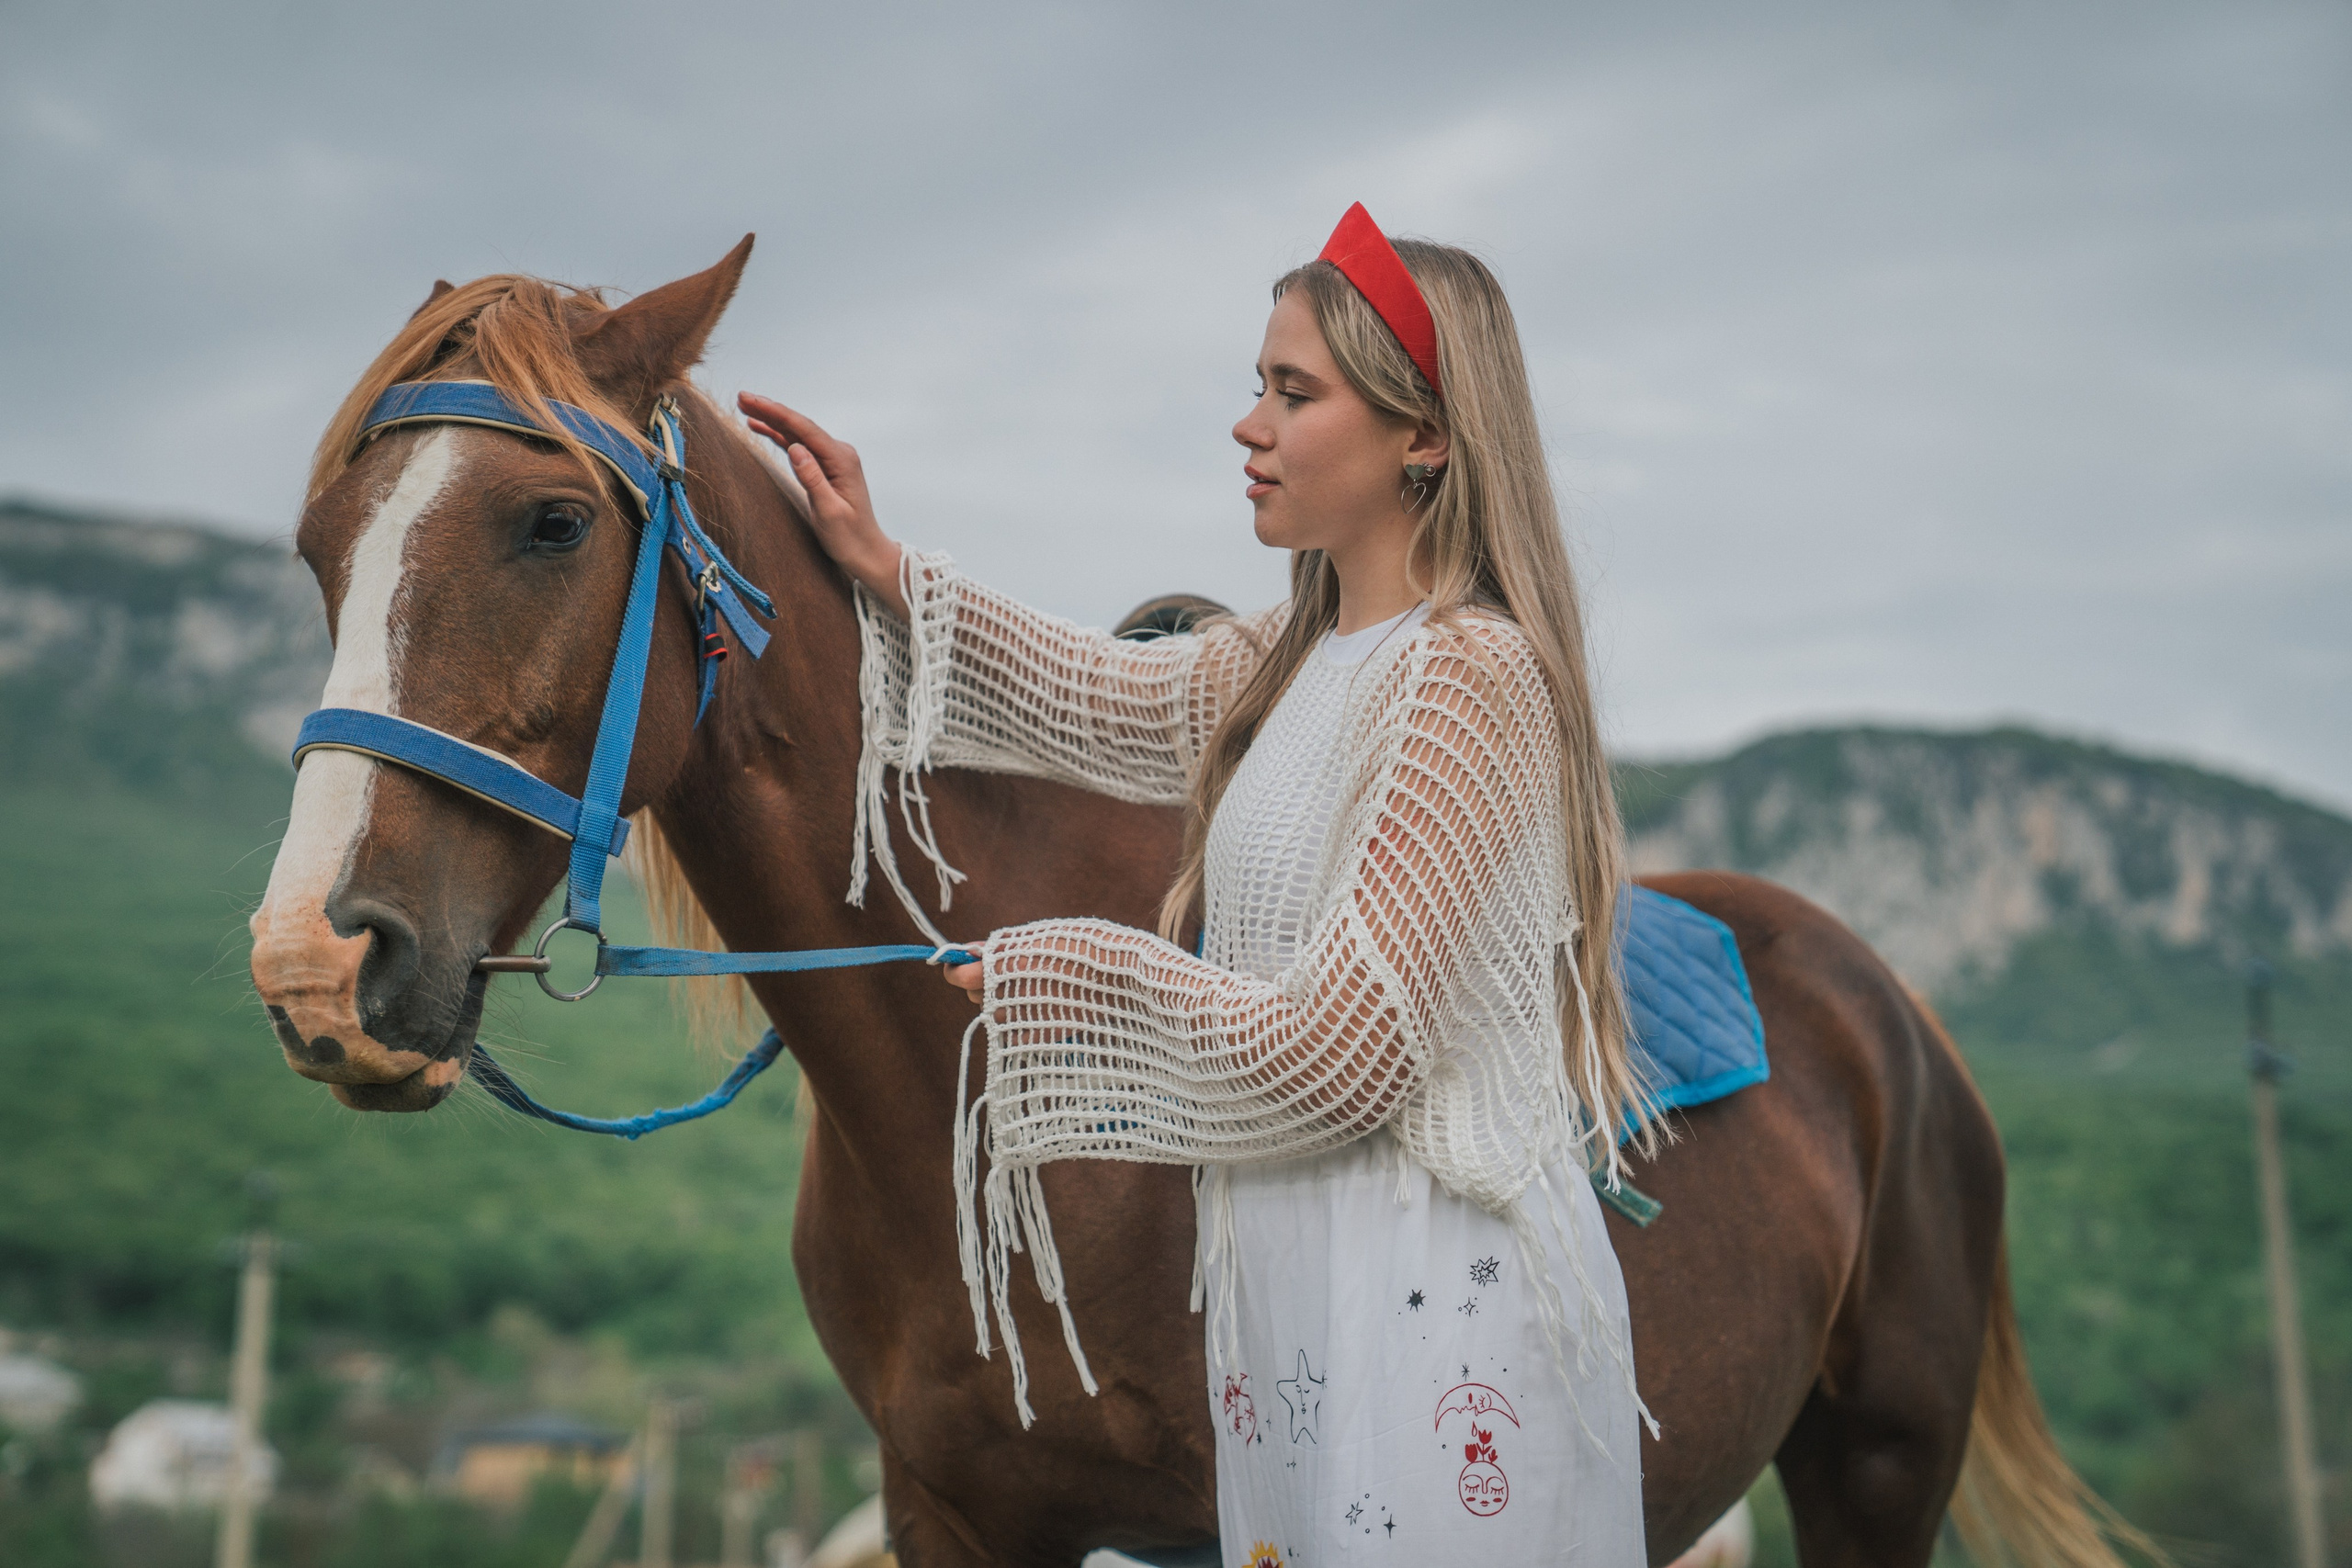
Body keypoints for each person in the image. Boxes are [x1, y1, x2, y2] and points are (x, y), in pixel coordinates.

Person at [741, 203, 1650, 1567]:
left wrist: (1070, 980)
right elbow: (1088, 695)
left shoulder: (1470, 678)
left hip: (1429, 1297)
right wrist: (886, 571)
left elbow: (1350, 1054)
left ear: (1427, 435)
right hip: (1294, 1281)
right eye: (1258, 385)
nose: (1250, 423)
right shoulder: (1281, 656)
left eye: (1295, 392)